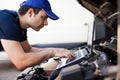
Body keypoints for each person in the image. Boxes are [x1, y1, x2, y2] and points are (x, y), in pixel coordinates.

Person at [0, 0, 74, 70]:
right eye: (43, 17)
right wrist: (52, 52)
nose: (46, 23)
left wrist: (57, 50)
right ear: (30, 12)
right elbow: (20, 62)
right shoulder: (6, 20)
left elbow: (28, 50)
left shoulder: (20, 25)